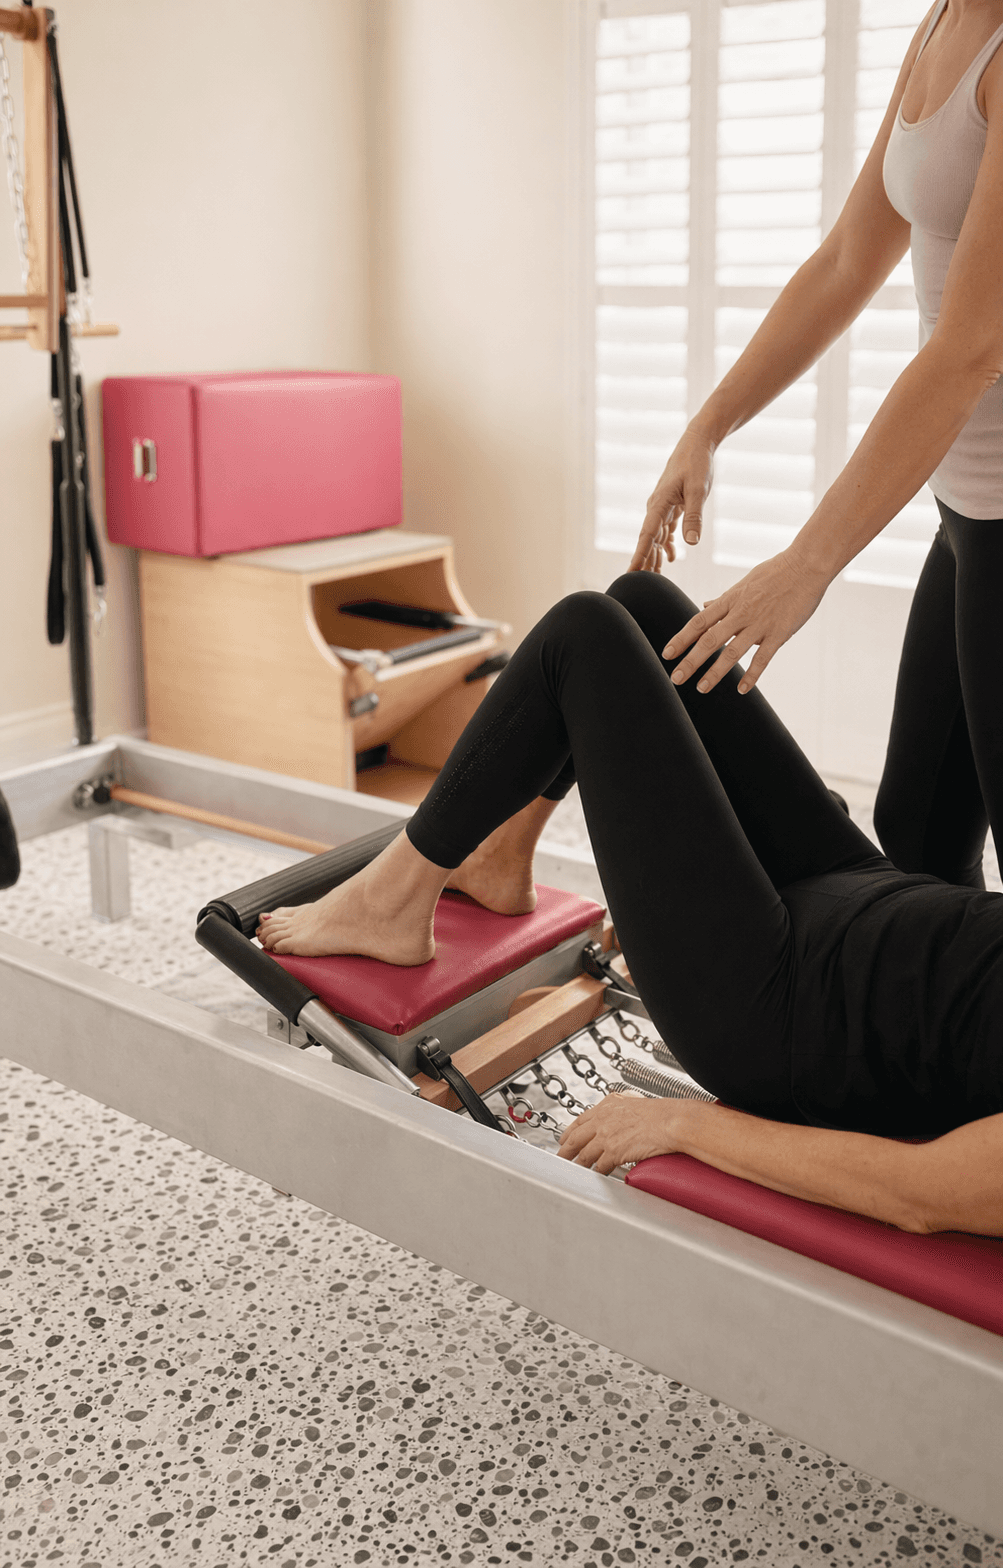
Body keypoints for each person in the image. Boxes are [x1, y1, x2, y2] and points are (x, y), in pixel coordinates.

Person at [258, 575, 1003, 1239]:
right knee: (646, 611)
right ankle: (497, 857)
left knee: (581, 639)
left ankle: (393, 900)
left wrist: (683, 1124)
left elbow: (917, 1196)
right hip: (865, 894)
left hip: (778, 1010)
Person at [630, 0, 1003, 890]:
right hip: (967, 514)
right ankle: (935, 1030)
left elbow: (967, 351)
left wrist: (808, 563)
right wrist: (709, 423)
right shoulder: (943, 20)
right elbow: (848, 257)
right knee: (916, 828)